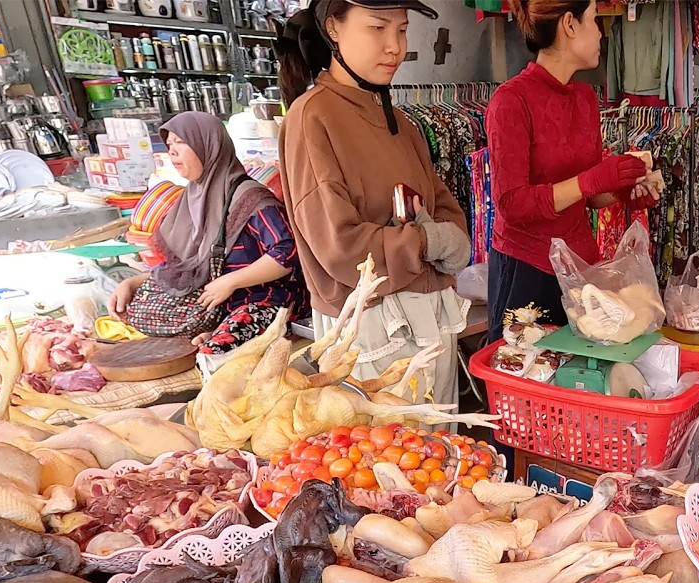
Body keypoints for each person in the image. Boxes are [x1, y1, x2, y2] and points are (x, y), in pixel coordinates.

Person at [276, 0, 472, 404]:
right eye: (377, 28)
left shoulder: (401, 121)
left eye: (401, 30)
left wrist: (448, 237)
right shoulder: (312, 116)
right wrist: (425, 243)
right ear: (333, 28)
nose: (394, 47)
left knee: (444, 457)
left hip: (431, 317)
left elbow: (444, 206)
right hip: (370, 331)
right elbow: (339, 246)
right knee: (388, 459)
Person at [484, 0, 658, 343]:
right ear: (570, 24)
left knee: (579, 378)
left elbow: (588, 199)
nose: (600, 33)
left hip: (579, 268)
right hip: (526, 269)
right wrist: (592, 179)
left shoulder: (585, 98)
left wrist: (624, 190)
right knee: (525, 377)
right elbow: (512, 204)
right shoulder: (511, 101)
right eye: (594, 20)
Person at [107, 112, 305, 356]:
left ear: (208, 146)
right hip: (217, 305)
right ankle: (215, 327)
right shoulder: (190, 200)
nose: (173, 151)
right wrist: (132, 283)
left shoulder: (250, 198)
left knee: (211, 354)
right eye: (169, 145)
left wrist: (231, 282)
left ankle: (219, 332)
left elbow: (287, 253)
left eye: (181, 142)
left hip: (266, 301)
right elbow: (184, 268)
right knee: (135, 313)